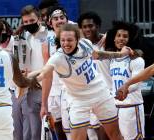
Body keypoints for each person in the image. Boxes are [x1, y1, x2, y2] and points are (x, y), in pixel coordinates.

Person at [37, 23, 131, 140]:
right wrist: (31, 79)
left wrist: (120, 54)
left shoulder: (85, 44)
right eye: (63, 40)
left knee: (115, 136)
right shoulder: (57, 58)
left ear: (77, 40)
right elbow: (44, 72)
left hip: (100, 93)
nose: (66, 44)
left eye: (70, 40)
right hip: (78, 101)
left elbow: (97, 55)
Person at [106, 21, 145, 140]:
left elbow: (136, 84)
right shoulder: (112, 59)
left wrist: (123, 91)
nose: (121, 39)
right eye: (118, 35)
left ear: (130, 39)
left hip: (131, 106)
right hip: (116, 107)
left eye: (125, 36)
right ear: (114, 38)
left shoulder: (136, 59)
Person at [77, 11, 110, 140]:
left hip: (107, 95)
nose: (87, 29)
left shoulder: (109, 42)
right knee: (92, 136)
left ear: (98, 26)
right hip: (88, 97)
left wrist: (109, 34)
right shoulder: (79, 46)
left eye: (91, 26)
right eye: (84, 27)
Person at [20, 5, 48, 140]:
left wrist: (34, 76)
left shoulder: (49, 34)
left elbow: (50, 64)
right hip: (32, 88)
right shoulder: (27, 37)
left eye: (31, 21)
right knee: (33, 133)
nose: (28, 24)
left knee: (50, 131)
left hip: (49, 88)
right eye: (25, 22)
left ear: (39, 19)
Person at [41, 5, 68, 140]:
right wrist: (44, 102)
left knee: (75, 129)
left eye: (62, 18)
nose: (59, 21)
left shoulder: (75, 35)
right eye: (55, 19)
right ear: (49, 23)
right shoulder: (47, 41)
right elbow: (47, 74)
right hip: (54, 90)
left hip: (70, 89)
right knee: (57, 128)